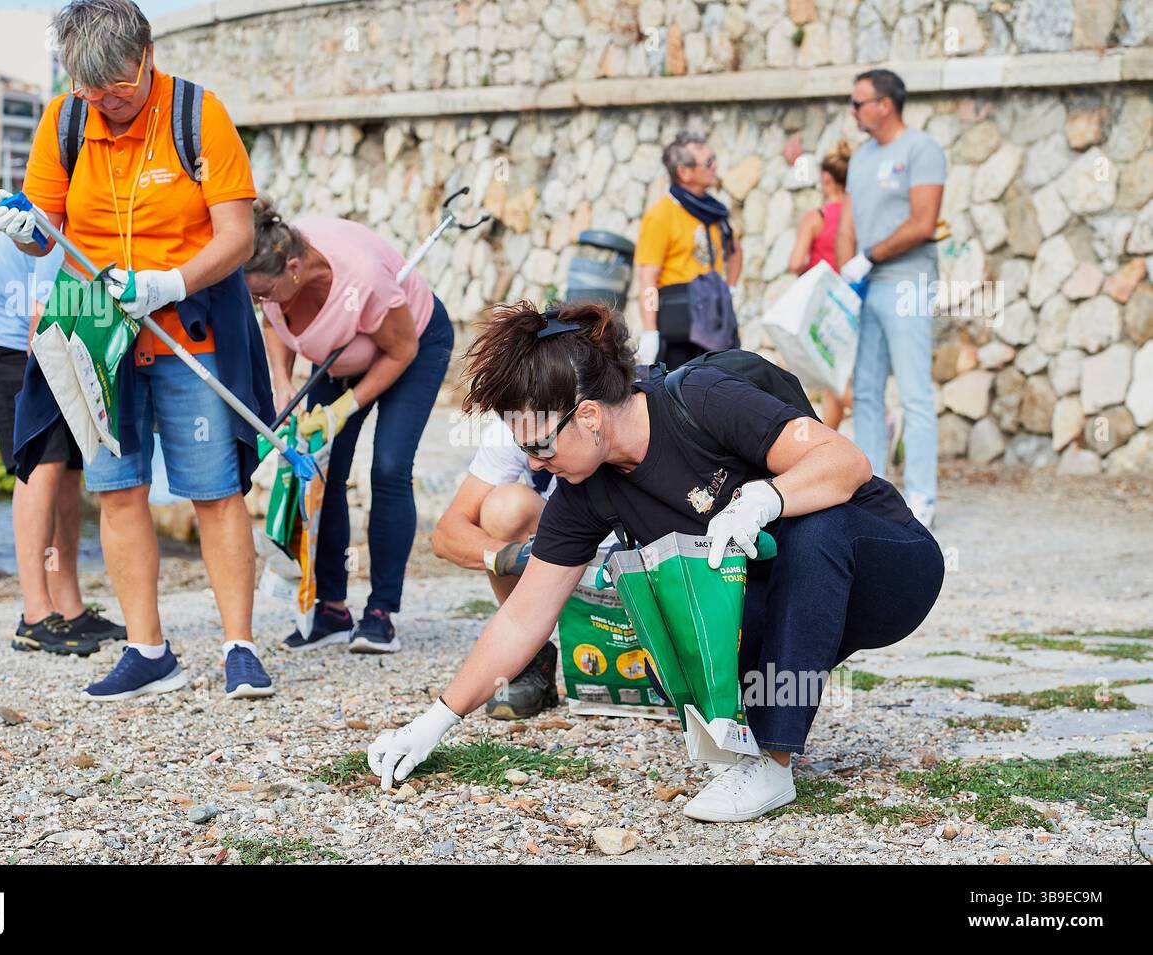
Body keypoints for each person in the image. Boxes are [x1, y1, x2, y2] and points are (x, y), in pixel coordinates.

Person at [366, 301, 944, 823]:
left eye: (539, 445)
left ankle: (772, 764)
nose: (534, 464)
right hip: (793, 601)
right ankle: (751, 728)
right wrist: (434, 721)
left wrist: (763, 500)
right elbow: (523, 617)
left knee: (817, 529)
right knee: (662, 655)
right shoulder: (584, 490)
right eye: (524, 450)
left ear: (589, 417)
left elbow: (846, 461)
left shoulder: (703, 398)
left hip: (887, 572)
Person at [0, 0, 275, 701]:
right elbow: (47, 231)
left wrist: (169, 283)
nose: (105, 107)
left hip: (189, 326)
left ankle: (240, 646)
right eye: (90, 93)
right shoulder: (65, 121)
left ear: (147, 57)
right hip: (96, 331)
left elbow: (238, 235)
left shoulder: (197, 115)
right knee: (117, 490)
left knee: (215, 491)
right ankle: (148, 651)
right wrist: (26, 232)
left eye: (117, 91)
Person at [245, 203, 454, 654]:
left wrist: (344, 408)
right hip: (340, 355)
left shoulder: (362, 278)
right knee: (322, 471)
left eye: (264, 293)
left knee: (389, 467)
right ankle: (332, 609)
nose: (262, 302)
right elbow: (274, 325)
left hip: (412, 346)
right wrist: (282, 382)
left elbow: (401, 350)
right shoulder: (273, 272)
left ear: (294, 269)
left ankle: (381, 613)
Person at [0, 234, 126, 656]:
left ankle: (69, 607)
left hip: (53, 334)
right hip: (4, 341)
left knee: (68, 468)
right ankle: (35, 616)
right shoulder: (65, 233)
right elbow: (41, 325)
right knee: (42, 463)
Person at [836, 69, 945, 529]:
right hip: (865, 288)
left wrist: (870, 256)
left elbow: (924, 222)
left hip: (907, 283)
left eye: (858, 103)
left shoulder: (922, 149)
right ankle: (873, 493)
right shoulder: (861, 158)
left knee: (915, 392)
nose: (853, 111)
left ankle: (921, 497)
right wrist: (846, 272)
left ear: (885, 104)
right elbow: (847, 224)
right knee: (865, 392)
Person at [429, 415, 559, 719]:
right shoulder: (515, 426)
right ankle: (529, 656)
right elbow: (445, 536)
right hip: (562, 552)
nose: (536, 461)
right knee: (505, 508)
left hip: (625, 554)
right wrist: (510, 556)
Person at [634, 132, 743, 370]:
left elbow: (735, 250)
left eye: (713, 159)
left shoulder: (715, 213)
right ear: (684, 172)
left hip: (715, 319)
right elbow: (648, 277)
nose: (715, 167)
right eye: (708, 163)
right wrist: (650, 330)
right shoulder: (662, 214)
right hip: (679, 325)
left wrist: (730, 288)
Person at [788, 140, 854, 431]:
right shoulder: (856, 214)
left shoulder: (817, 217)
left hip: (823, 306)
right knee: (835, 375)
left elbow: (795, 262)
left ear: (826, 178)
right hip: (851, 300)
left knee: (830, 375)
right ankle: (830, 438)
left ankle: (877, 412)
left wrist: (808, 267)